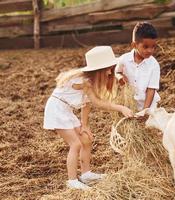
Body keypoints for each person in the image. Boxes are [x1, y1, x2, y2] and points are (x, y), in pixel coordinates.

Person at [43, 46, 134, 190]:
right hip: (56, 110)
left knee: (86, 139)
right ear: (96, 69)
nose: (110, 72)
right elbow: (97, 102)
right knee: (76, 144)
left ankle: (86, 174)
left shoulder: (90, 82)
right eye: (106, 69)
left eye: (111, 68)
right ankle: (72, 181)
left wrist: (84, 125)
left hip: (66, 110)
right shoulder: (83, 81)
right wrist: (120, 108)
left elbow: (87, 104)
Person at [115, 22, 161, 111]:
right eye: (146, 47)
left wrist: (145, 111)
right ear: (134, 45)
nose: (150, 50)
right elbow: (117, 71)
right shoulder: (124, 59)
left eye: (153, 47)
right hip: (130, 105)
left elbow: (151, 90)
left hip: (149, 105)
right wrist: (120, 77)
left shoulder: (154, 65)